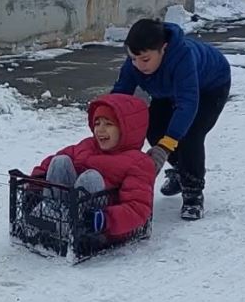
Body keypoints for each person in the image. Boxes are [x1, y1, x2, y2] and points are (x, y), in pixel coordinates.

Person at [113, 19, 231, 220]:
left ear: (163, 49)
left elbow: (187, 104)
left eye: (145, 60)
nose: (138, 65)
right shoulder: (136, 62)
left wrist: (167, 145)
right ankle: (180, 170)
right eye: (133, 58)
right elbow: (121, 95)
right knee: (153, 127)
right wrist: (106, 119)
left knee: (190, 134)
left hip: (210, 88)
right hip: (170, 90)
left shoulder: (183, 57)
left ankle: (193, 195)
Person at [29, 94, 155, 241]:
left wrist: (106, 219)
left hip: (94, 221)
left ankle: (70, 226)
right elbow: (50, 163)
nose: (100, 130)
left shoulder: (139, 162)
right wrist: (35, 180)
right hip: (66, 205)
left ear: (126, 130)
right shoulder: (88, 145)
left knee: (91, 177)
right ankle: (51, 215)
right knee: (60, 161)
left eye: (108, 124)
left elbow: (137, 208)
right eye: (97, 123)